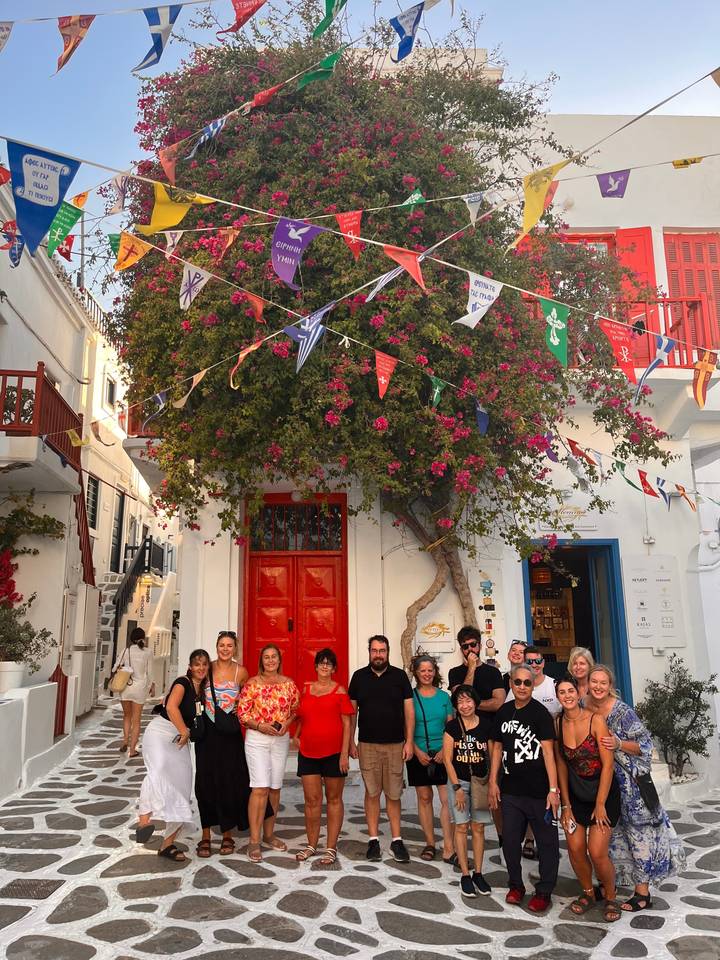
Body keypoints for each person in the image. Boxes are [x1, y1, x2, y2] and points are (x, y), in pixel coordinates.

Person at [586, 664, 686, 911]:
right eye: (594, 682)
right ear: (588, 683)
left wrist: (619, 742)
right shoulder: (583, 707)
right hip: (603, 785)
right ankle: (610, 882)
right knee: (611, 837)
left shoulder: (623, 712)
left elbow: (646, 745)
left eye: (603, 683)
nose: (598, 687)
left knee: (638, 836)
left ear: (610, 687)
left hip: (631, 786)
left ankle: (642, 892)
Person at [488, 664, 561, 913]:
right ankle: (516, 885)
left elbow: (549, 753)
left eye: (526, 683)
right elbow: (497, 748)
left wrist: (553, 790)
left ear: (533, 685)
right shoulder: (504, 712)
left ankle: (544, 890)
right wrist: (492, 783)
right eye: (517, 682)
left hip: (539, 791)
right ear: (510, 683)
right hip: (510, 791)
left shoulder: (540, 714)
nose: (521, 686)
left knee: (547, 843)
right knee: (510, 842)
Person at [555, 675, 622, 923]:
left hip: (602, 793)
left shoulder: (596, 720)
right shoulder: (557, 722)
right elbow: (561, 764)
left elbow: (607, 765)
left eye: (570, 690)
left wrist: (601, 804)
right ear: (558, 697)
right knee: (574, 847)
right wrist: (565, 805)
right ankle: (587, 893)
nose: (567, 695)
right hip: (575, 794)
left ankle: (611, 895)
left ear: (577, 692)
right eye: (562, 692)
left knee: (597, 851)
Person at [134, 649, 210, 861]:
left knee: (182, 788)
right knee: (156, 772)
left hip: (179, 740)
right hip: (161, 732)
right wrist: (185, 731)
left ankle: (167, 845)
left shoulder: (202, 690)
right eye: (197, 664)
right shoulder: (182, 682)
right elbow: (172, 707)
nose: (201, 668)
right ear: (190, 666)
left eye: (204, 664)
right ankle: (144, 822)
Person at [348, 635, 414, 863]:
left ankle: (397, 840)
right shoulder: (358, 677)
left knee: (394, 794)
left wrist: (409, 741)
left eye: (382, 650)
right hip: (368, 745)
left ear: (388, 652)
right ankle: (373, 840)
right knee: (372, 792)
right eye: (374, 650)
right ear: (369, 652)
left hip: (396, 745)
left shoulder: (399, 676)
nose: (378, 654)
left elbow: (409, 711)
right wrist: (350, 742)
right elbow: (352, 713)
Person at [237, 644, 300, 863]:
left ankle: (269, 834)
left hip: (280, 740)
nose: (271, 660)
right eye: (266, 657)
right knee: (260, 788)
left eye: (274, 657)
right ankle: (254, 840)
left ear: (279, 660)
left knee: (274, 788)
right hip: (258, 740)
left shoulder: (289, 684)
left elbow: (295, 710)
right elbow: (242, 714)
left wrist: (287, 724)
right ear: (261, 661)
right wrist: (260, 726)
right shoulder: (252, 684)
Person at [293, 648, 354, 867]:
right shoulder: (306, 689)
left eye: (329, 663)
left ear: (334, 668)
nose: (324, 666)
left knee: (334, 800)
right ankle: (311, 844)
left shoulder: (340, 692)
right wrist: (296, 737)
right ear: (316, 666)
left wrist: (344, 754)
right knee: (312, 801)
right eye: (321, 663)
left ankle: (330, 848)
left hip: (334, 754)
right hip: (308, 752)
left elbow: (347, 724)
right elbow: (297, 716)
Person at [194, 631, 253, 858]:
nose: (225, 649)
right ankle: (206, 834)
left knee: (229, 782)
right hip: (207, 734)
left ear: (235, 648)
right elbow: (191, 688)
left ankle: (227, 833)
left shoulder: (242, 672)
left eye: (229, 645)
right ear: (216, 646)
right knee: (205, 781)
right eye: (221, 645)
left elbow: (248, 700)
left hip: (229, 733)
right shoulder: (205, 667)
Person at [505, 645, 561, 860]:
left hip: (550, 749)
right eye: (530, 662)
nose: (534, 665)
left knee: (547, 797)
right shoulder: (516, 687)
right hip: (524, 753)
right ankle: (529, 839)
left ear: (543, 663)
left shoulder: (553, 686)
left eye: (538, 661)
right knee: (528, 798)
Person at [443, 684, 493, 898]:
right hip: (460, 783)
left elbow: (491, 757)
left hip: (480, 783)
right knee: (461, 827)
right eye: (460, 702)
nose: (464, 705)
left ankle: (479, 873)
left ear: (475, 702)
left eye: (468, 700)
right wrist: (456, 788)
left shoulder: (486, 726)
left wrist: (492, 783)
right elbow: (447, 758)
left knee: (479, 828)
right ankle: (465, 874)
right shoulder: (452, 727)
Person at [406, 655, 454, 862]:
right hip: (419, 753)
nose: (427, 674)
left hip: (443, 753)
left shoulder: (444, 698)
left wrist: (445, 750)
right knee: (424, 798)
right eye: (422, 670)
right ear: (416, 673)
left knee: (447, 800)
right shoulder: (410, 697)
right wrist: (416, 751)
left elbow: (451, 727)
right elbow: (405, 727)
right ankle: (430, 843)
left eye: (430, 670)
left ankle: (449, 846)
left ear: (435, 672)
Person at [114, 627, 155, 759]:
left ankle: (125, 741)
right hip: (139, 688)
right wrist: (151, 686)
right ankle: (132, 750)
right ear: (143, 638)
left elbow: (115, 667)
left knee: (127, 716)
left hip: (126, 687)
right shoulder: (148, 652)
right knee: (136, 720)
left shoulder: (126, 650)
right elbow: (149, 673)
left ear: (131, 638)